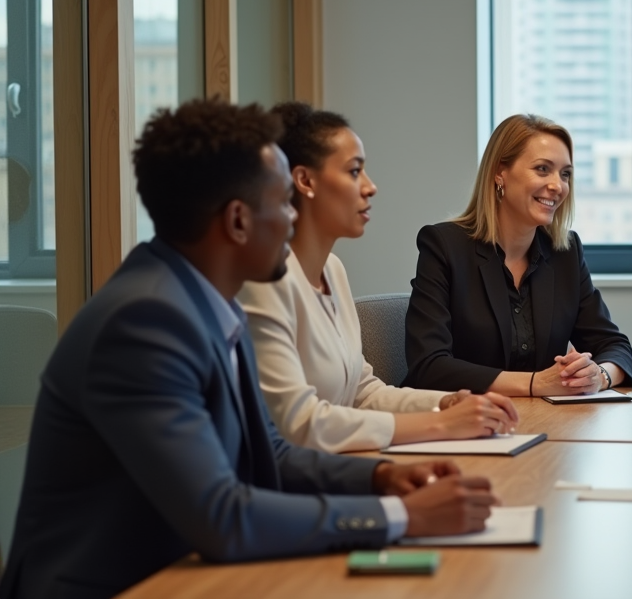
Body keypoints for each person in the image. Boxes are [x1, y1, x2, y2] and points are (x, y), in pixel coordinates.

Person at [0, 100, 497, 599]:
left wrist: (384, 479)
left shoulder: (205, 299)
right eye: (283, 202)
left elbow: (271, 453)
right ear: (238, 221)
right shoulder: (144, 323)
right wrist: (399, 516)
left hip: (187, 569)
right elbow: (223, 515)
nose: (291, 220)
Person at [238, 103, 519, 453]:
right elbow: (298, 424)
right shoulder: (262, 282)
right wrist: (440, 424)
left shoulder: (333, 270)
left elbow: (362, 392)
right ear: (305, 180)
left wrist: (445, 404)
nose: (370, 187)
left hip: (337, 466)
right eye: (355, 172)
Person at [404, 114, 632, 396]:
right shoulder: (444, 246)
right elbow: (429, 366)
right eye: (542, 169)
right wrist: (535, 383)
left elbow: (616, 347)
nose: (558, 186)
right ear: (500, 173)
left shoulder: (566, 252)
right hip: (458, 424)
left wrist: (598, 377)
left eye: (565, 174)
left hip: (538, 421)